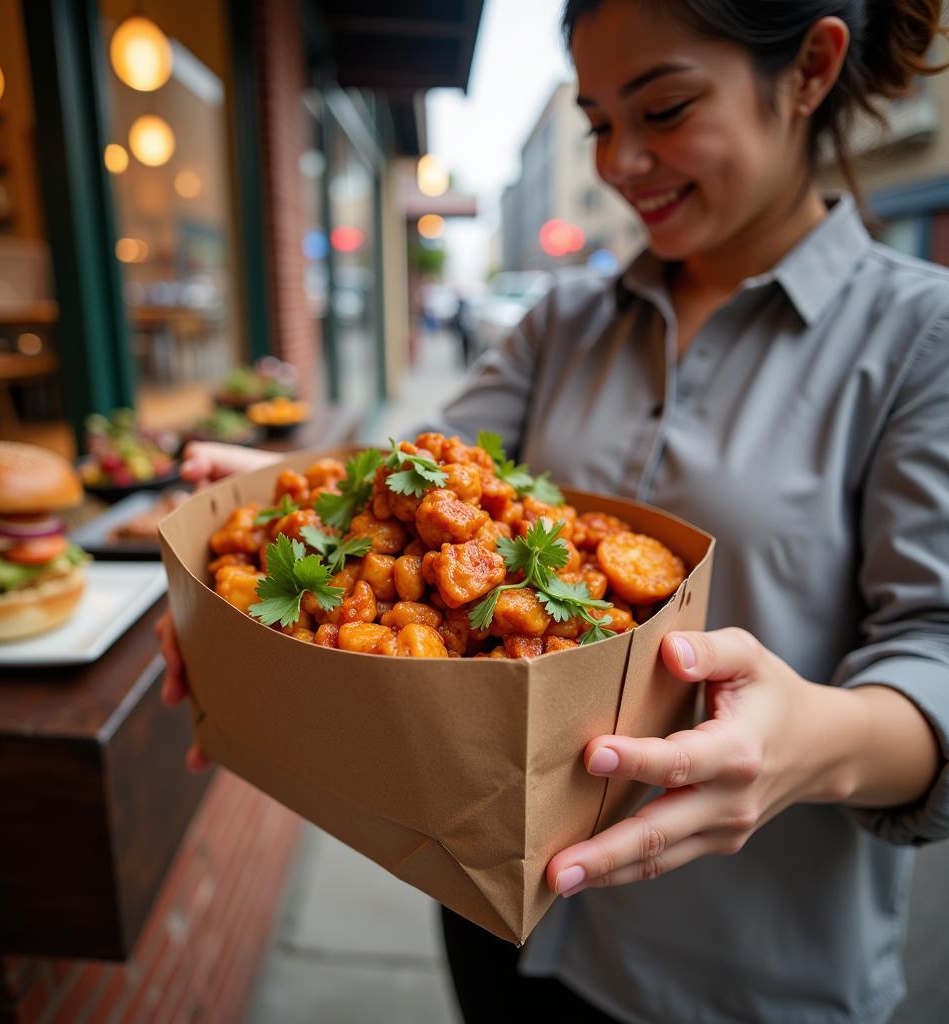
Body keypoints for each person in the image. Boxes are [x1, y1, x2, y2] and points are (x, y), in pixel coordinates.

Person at [159, 1, 949, 1020]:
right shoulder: (564, 321)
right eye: (596, 123)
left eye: (662, 109)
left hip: (735, 961)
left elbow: (932, 645)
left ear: (808, 68)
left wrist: (817, 738)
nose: (621, 161)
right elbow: (417, 472)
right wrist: (264, 513)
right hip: (494, 902)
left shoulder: (919, 334)